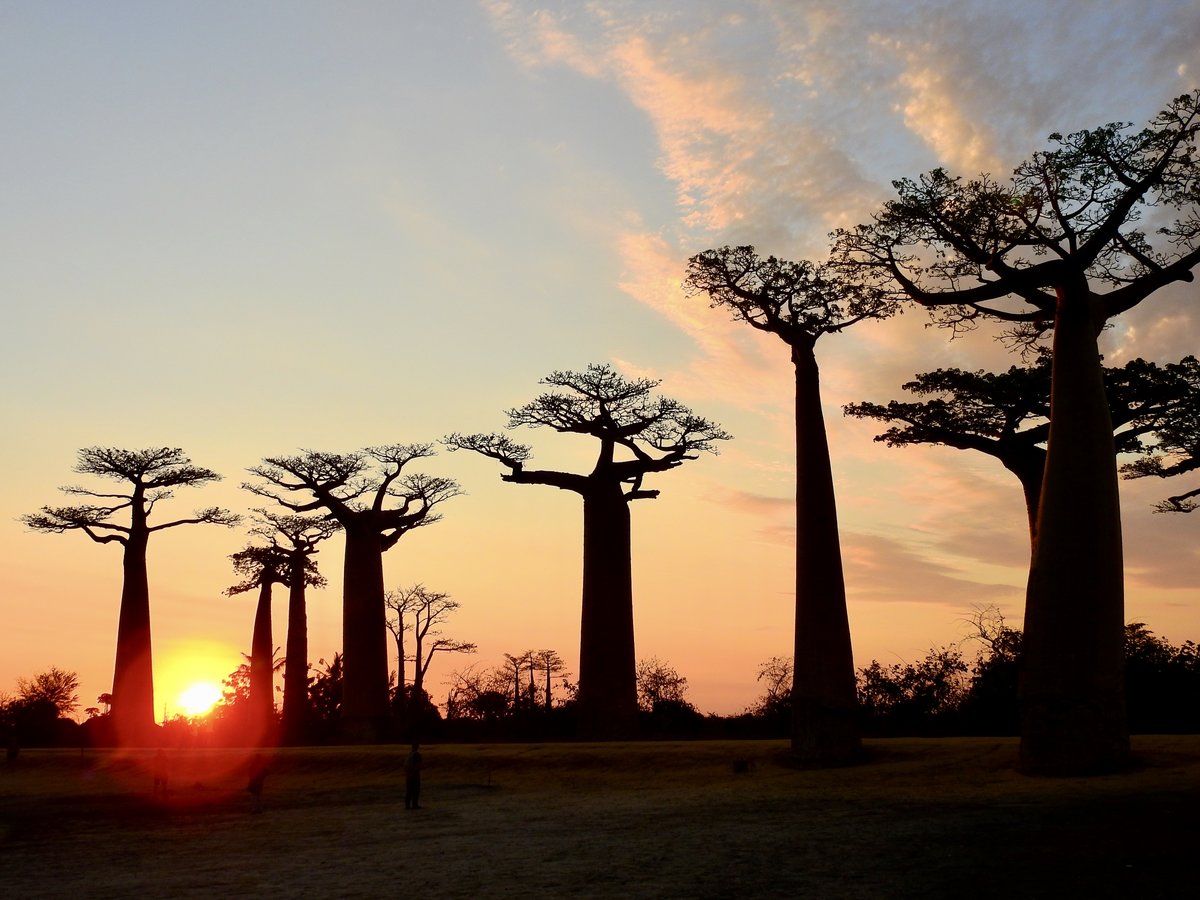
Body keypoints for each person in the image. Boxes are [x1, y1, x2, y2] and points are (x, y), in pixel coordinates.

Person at [403, 742, 422, 810]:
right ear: (417, 747)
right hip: (414, 774)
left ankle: (407, 806)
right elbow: (417, 765)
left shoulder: (409, 754)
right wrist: (414, 773)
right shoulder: (417, 754)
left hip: (408, 774)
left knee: (409, 790)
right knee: (415, 790)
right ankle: (415, 805)